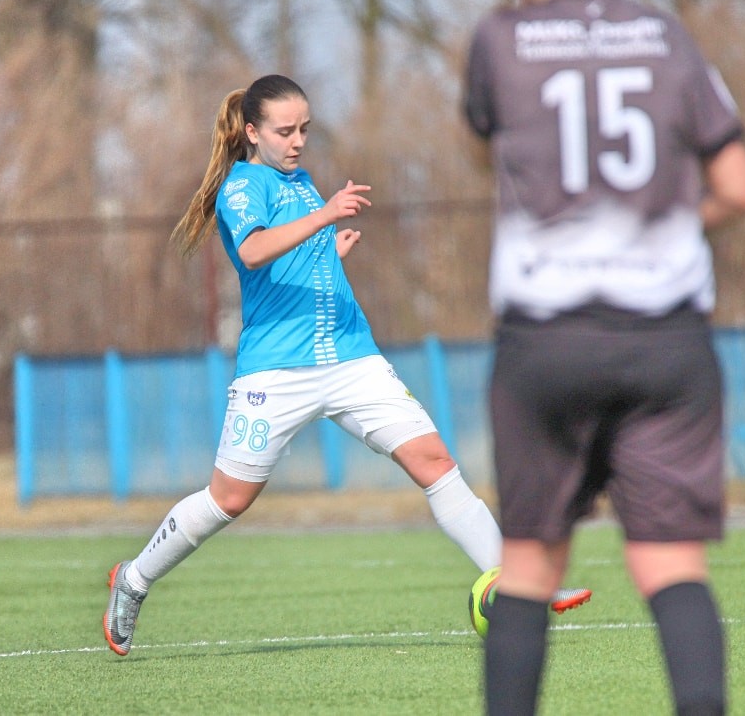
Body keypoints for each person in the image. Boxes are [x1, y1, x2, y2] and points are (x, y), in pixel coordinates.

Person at [103, 74, 591, 657]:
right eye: (285, 131)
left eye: (304, 129)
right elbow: (254, 251)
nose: (297, 141)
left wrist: (327, 255)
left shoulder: (301, 183)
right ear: (252, 132)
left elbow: (289, 260)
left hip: (351, 357)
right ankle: (134, 579)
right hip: (277, 371)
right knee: (228, 499)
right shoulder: (243, 184)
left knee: (434, 462)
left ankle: (520, 585)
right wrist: (325, 217)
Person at [464, 0, 745, 714]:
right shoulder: (664, 35)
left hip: (547, 338)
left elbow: (486, 153)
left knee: (528, 566)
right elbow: (739, 188)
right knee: (671, 564)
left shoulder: (501, 40)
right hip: (666, 338)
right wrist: (659, 232)